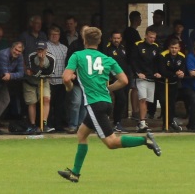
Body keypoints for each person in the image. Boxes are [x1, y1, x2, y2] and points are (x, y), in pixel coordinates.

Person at [56, 27, 161, 184]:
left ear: (84, 40)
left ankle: (145, 140)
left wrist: (69, 87)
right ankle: (75, 173)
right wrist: (108, 88)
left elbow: (66, 78)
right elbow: (124, 80)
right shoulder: (107, 58)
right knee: (82, 134)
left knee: (111, 143)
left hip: (94, 105)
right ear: (99, 41)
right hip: (106, 102)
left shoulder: (77, 55)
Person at [131, 27, 162, 132]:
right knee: (142, 98)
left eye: (154, 38)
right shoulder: (138, 45)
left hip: (151, 78)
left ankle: (142, 121)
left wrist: (157, 72)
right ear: (145, 36)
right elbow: (133, 61)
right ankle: (142, 122)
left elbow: (157, 61)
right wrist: (138, 73)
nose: (152, 39)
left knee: (147, 100)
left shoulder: (156, 47)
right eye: (150, 37)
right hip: (141, 78)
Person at [155, 37, 186, 132]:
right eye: (172, 48)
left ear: (179, 48)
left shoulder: (182, 56)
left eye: (176, 48)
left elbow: (182, 69)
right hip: (163, 84)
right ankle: (165, 124)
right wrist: (175, 74)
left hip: (174, 84)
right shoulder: (162, 55)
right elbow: (163, 71)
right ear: (169, 48)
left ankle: (171, 122)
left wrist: (181, 73)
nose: (174, 50)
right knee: (164, 103)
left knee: (172, 104)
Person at [24, 40, 55, 134]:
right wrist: (41, 64)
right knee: (32, 102)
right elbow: (33, 72)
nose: (40, 52)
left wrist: (38, 70)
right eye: (39, 50)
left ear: (46, 49)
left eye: (42, 50)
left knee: (46, 99)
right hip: (30, 82)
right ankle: (33, 125)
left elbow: (49, 73)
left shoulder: (51, 58)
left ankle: (44, 124)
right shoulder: (31, 56)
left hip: (44, 81)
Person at [104, 30, 130, 133]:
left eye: (118, 38)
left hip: (124, 79)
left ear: (121, 39)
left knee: (122, 100)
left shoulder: (123, 49)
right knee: (121, 99)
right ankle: (116, 123)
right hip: (114, 79)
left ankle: (117, 123)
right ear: (111, 38)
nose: (116, 40)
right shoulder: (107, 49)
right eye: (114, 38)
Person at [46, 25, 70, 131]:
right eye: (52, 34)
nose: (54, 36)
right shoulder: (46, 46)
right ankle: (49, 125)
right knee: (49, 104)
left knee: (60, 105)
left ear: (59, 36)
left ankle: (58, 125)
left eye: (56, 34)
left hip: (61, 81)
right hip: (50, 80)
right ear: (49, 35)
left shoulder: (64, 48)